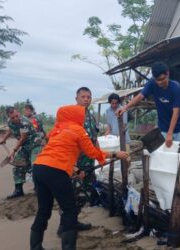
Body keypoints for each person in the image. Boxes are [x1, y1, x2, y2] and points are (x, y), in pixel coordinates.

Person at [30, 105, 129, 250]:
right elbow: (93, 152)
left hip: (39, 168)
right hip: (56, 171)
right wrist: (115, 154)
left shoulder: (56, 130)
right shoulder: (78, 130)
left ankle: (35, 247)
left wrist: (74, 169)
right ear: (75, 116)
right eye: (81, 116)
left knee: (44, 210)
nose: (83, 119)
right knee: (69, 210)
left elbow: (56, 152)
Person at [56, 87, 99, 236]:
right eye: (83, 97)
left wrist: (99, 157)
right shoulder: (70, 116)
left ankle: (73, 222)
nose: (86, 99)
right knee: (70, 195)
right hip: (74, 165)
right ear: (76, 98)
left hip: (88, 165)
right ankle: (63, 226)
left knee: (83, 195)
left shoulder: (91, 117)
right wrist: (73, 166)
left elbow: (94, 139)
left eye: (88, 96)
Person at [117, 61, 180, 147]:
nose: (160, 82)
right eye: (157, 80)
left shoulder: (176, 88)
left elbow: (176, 112)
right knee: (163, 154)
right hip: (164, 128)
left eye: (162, 79)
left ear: (167, 74)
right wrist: (125, 108)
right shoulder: (152, 83)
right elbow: (140, 96)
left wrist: (170, 133)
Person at [0, 107, 41, 199]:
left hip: (35, 145)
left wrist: (13, 152)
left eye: (16, 116)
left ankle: (39, 188)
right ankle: (18, 190)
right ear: (9, 117)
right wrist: (4, 139)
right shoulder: (10, 122)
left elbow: (22, 138)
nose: (15, 119)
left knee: (35, 166)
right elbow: (10, 129)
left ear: (18, 113)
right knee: (18, 166)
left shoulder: (24, 122)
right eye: (13, 117)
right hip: (25, 147)